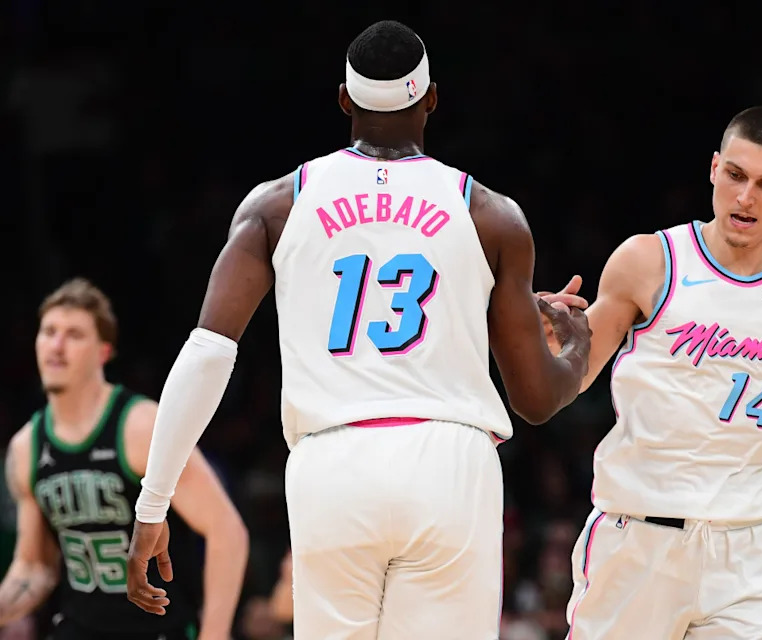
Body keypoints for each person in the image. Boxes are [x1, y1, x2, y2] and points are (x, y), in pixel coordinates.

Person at [125, 19, 591, 640]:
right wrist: (577, 344)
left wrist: (153, 503)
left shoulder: (276, 204)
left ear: (343, 100)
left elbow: (207, 355)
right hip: (448, 461)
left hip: (332, 459)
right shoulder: (492, 215)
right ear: (431, 98)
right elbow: (536, 400)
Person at [540, 106, 762, 639]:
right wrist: (542, 346)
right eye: (736, 176)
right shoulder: (648, 260)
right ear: (714, 169)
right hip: (639, 539)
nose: (746, 197)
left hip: (748, 551)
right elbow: (572, 376)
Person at [0, 278, 249, 639]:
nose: (57, 345)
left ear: (103, 351)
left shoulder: (140, 425)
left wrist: (215, 633)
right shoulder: (27, 446)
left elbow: (226, 530)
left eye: (74, 334)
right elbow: (34, 566)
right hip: (78, 627)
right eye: (49, 331)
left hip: (155, 628)